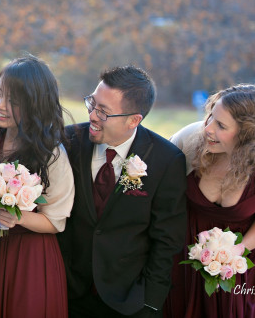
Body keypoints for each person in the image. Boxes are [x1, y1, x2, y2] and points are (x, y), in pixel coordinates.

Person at [58, 65, 187, 317]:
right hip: (67, 291)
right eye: (92, 104)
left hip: (129, 300)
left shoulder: (166, 160)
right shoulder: (68, 141)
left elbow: (166, 240)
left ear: (133, 120)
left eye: (104, 112)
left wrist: (150, 303)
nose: (93, 115)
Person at [164, 84, 255, 318]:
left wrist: (232, 253)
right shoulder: (188, 140)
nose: (208, 130)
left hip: (242, 260)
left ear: (247, 136)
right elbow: (160, 190)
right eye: (210, 117)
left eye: (221, 125)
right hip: (183, 252)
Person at [0, 54, 75, 317]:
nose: (0, 104)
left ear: (34, 105)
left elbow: (56, 222)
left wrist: (17, 217)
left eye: (13, 101)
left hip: (30, 258)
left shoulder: (52, 154)